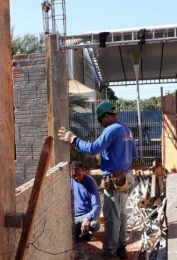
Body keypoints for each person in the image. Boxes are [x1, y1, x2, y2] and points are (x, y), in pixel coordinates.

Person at [59, 101, 137, 260]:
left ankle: (109, 253)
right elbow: (132, 154)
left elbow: (94, 148)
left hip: (115, 180)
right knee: (121, 215)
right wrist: (110, 154)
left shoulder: (112, 129)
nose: (101, 125)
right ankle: (121, 247)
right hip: (127, 177)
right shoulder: (126, 130)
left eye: (101, 121)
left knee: (112, 219)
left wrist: (73, 139)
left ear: (106, 116)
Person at [70, 160, 101, 241]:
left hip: (88, 213)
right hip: (75, 215)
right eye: (74, 175)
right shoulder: (70, 181)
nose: (76, 178)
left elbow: (97, 206)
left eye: (79, 175)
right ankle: (79, 232)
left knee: (94, 224)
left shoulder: (90, 182)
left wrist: (87, 218)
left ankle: (87, 234)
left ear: (83, 170)